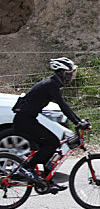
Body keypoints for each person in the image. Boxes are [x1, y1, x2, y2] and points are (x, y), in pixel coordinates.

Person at [12, 57, 86, 194]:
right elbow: (63, 106)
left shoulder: (52, 83)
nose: (70, 77)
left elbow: (64, 107)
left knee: (50, 148)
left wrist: (78, 120)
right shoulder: (51, 84)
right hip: (24, 121)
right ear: (62, 72)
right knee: (52, 143)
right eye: (69, 73)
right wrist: (78, 122)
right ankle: (26, 168)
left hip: (27, 119)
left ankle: (47, 182)